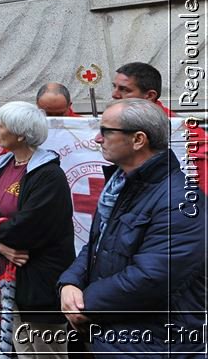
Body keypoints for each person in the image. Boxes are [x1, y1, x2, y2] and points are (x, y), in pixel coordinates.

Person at [59, 99, 207, 357]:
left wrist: (85, 305)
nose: (97, 139)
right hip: (115, 334)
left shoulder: (180, 200)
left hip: (156, 343)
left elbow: (154, 277)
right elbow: (97, 244)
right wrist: (69, 283)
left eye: (106, 131)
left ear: (139, 139)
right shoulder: (120, 185)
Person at [0, 101, 74, 359]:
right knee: (24, 352)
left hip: (40, 283)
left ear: (20, 134)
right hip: (7, 277)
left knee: (47, 353)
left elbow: (27, 228)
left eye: (1, 125)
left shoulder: (49, 176)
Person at [112, 61, 207, 193]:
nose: (114, 95)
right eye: (115, 87)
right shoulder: (112, 123)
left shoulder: (184, 132)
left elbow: (202, 187)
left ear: (150, 96)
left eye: (124, 89)